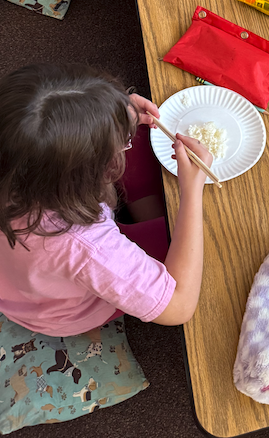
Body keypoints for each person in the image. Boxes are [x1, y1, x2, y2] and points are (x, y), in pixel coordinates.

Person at [0, 63, 209, 337]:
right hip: (64, 310)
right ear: (81, 177)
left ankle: (142, 207)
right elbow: (179, 308)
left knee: (144, 138)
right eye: (118, 146)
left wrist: (112, 112)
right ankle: (146, 214)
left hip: (23, 283)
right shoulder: (85, 247)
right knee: (187, 237)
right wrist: (192, 192)